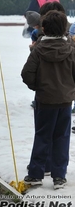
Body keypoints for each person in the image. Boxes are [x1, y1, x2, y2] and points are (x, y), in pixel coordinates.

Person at [21, 10, 74, 190]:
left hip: (44, 100)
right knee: (62, 137)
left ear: (43, 28)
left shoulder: (38, 50)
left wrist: (38, 87)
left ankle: (36, 173)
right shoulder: (71, 50)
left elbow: (27, 73)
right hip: (65, 101)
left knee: (42, 136)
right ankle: (59, 175)